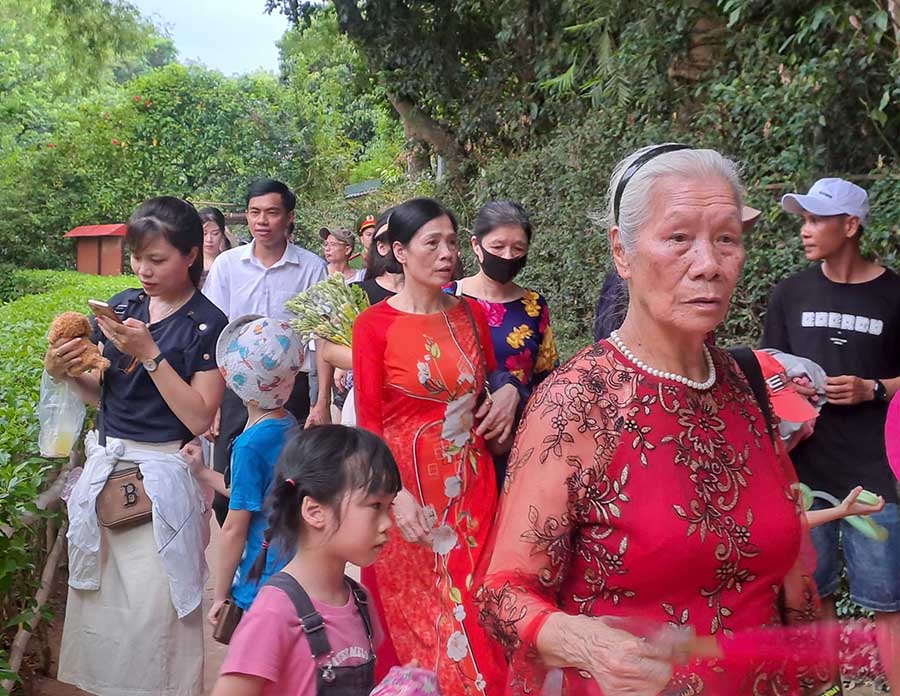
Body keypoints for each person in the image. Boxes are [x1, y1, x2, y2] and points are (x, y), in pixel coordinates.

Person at [476, 145, 839, 695]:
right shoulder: (577, 405)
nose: (709, 263)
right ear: (621, 252)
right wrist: (584, 643)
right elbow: (502, 593)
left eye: (726, 239)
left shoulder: (745, 385)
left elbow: (784, 566)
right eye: (678, 238)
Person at [46, 196, 228, 696]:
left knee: (155, 613)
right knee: (100, 606)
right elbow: (101, 392)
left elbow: (199, 415)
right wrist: (65, 372)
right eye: (138, 258)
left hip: (162, 476)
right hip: (109, 469)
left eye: (158, 259)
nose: (144, 270)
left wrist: (150, 355)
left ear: (191, 255)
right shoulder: (124, 306)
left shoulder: (208, 324)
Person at [353, 198, 519, 694]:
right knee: (418, 616)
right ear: (400, 252)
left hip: (472, 488)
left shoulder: (468, 314)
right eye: (433, 242)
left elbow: (491, 379)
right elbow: (369, 425)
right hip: (406, 492)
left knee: (475, 605)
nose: (447, 252)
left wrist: (509, 390)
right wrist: (392, 495)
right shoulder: (374, 326)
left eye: (451, 241)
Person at [762, 177, 900, 687]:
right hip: (805, 473)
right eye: (803, 219)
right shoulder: (790, 294)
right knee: (812, 598)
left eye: (817, 219)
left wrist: (875, 389)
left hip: (879, 474)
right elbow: (769, 369)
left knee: (889, 604)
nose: (805, 230)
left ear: (850, 225)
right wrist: (790, 386)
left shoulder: (895, 294)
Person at [211, 425, 401, 696]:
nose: (387, 525)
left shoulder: (361, 601)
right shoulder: (273, 613)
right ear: (314, 511)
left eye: (389, 507)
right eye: (375, 506)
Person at [202, 179, 331, 526]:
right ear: (246, 216)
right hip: (236, 390)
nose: (262, 221)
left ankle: (278, 560)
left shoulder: (311, 268)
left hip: (291, 390)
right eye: (255, 212)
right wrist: (212, 403)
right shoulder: (228, 266)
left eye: (272, 213)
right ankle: (242, 552)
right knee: (227, 482)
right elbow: (212, 336)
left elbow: (322, 339)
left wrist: (321, 403)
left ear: (288, 217)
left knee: (290, 480)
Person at [186, 315, 302, 623]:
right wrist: (202, 472)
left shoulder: (250, 445)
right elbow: (255, 492)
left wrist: (222, 594)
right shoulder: (287, 424)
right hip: (293, 575)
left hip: (259, 585)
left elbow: (234, 528)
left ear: (231, 377)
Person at [446, 200, 559, 489]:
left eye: (518, 249)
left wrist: (516, 395)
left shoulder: (533, 306)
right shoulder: (447, 300)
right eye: (497, 247)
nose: (508, 256)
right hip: (455, 443)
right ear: (476, 245)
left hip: (519, 444)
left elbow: (548, 379)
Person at [198, 207, 232, 288]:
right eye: (204, 233)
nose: (209, 239)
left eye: (215, 233)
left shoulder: (229, 263)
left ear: (222, 234)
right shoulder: (189, 264)